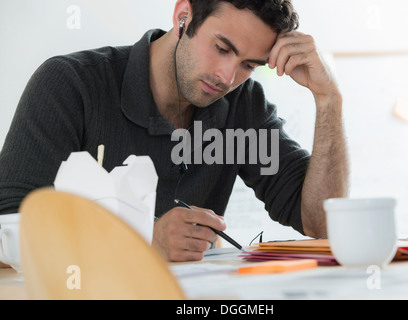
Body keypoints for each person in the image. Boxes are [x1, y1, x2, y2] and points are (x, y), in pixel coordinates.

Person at [0, 0, 349, 262]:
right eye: (222, 48)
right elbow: (9, 223)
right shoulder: (71, 84)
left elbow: (322, 222)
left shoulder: (243, 104)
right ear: (184, 15)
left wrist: (329, 98)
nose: (226, 77)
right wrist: (144, 238)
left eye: (248, 65)